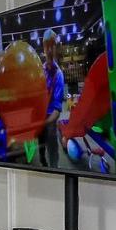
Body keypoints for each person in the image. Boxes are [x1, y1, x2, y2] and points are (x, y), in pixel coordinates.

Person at [39, 31, 66, 167]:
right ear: (43, 48)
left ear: (56, 48)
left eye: (52, 46)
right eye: (46, 46)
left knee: (52, 142)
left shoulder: (59, 75)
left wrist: (44, 122)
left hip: (50, 118)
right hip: (39, 115)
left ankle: (54, 169)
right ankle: (42, 159)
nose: (49, 50)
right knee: (40, 143)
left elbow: (56, 110)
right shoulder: (39, 71)